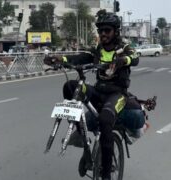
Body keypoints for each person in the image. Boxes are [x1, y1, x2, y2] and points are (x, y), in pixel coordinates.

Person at [44, 10, 139, 180]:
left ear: (115, 31)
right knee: (70, 86)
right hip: (98, 91)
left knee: (104, 120)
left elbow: (135, 57)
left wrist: (123, 60)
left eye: (107, 30)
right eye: (100, 31)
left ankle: (106, 174)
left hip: (117, 95)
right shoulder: (97, 50)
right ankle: (85, 145)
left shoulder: (123, 48)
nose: (103, 34)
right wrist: (59, 59)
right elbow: (80, 58)